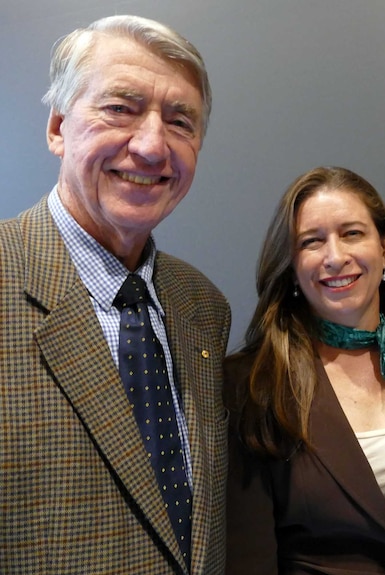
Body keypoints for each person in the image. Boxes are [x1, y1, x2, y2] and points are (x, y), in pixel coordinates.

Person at [0, 15, 230, 574]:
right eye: (120, 109)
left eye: (180, 122)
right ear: (58, 127)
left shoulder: (203, 306)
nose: (152, 146)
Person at [223, 166, 385, 575]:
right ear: (292, 265)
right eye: (312, 242)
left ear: (384, 249)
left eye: (352, 233)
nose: (335, 257)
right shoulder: (251, 384)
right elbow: (249, 556)